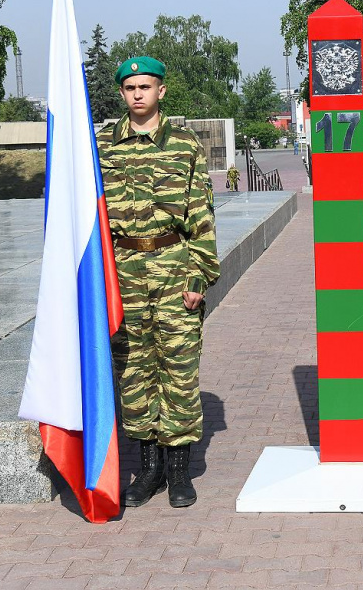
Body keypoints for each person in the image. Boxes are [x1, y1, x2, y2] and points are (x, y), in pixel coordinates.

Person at [96, 55, 219, 509]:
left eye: (145, 87)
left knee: (179, 370)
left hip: (173, 265)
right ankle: (148, 471)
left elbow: (201, 214)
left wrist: (199, 275)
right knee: (133, 372)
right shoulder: (104, 145)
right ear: (123, 94)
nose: (138, 94)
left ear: (161, 91)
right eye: (130, 88)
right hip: (124, 271)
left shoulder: (184, 144)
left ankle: (179, 470)